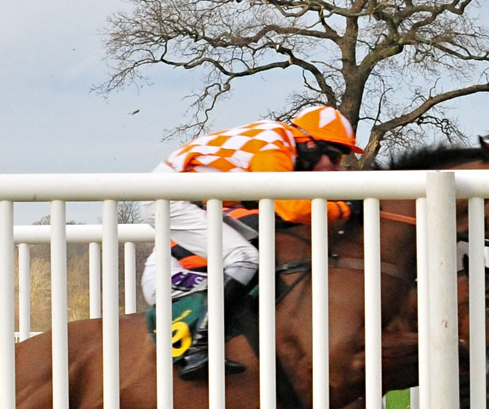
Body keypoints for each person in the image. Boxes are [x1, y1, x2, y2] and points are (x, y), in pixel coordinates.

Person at [142, 104, 363, 379]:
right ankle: (198, 347)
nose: (337, 167)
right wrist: (346, 209)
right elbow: (291, 208)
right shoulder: (274, 149)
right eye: (334, 156)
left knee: (264, 242)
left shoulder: (280, 141)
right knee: (244, 258)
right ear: (309, 145)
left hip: (191, 198)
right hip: (171, 199)